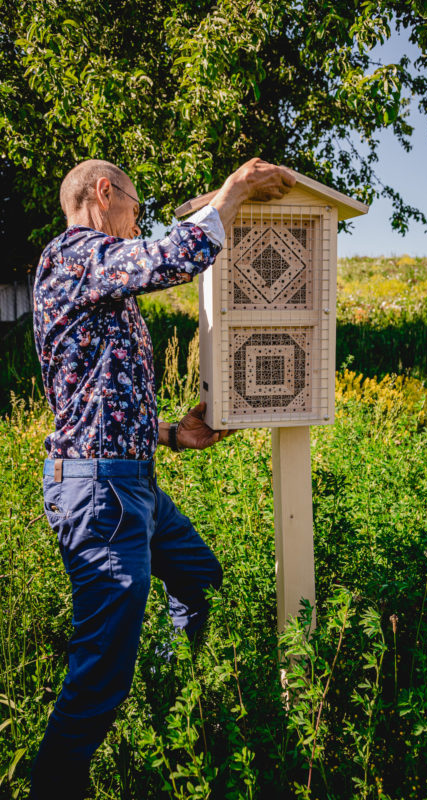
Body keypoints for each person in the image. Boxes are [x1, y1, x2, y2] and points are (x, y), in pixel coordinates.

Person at [29, 157, 296, 799]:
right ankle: (54, 787)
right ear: (103, 193)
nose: (136, 222)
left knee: (198, 576)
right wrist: (229, 195)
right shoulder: (73, 256)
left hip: (130, 480)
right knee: (100, 672)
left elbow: (100, 400)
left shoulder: (96, 281)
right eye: (135, 208)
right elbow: (167, 260)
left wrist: (176, 435)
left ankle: (179, 681)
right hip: (101, 489)